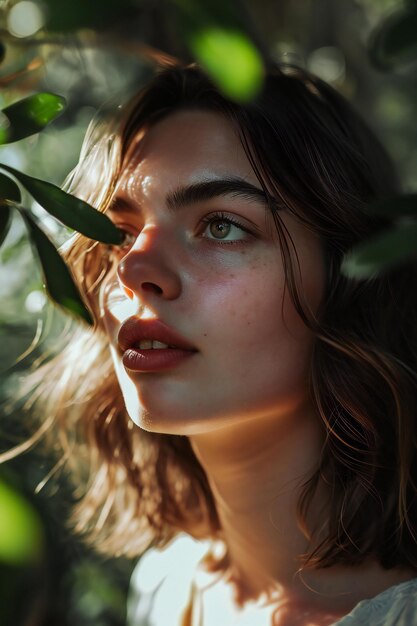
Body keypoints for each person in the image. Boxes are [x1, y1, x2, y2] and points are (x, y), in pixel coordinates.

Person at [19, 61, 417, 625]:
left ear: (350, 277)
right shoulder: (165, 585)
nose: (134, 270)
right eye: (120, 234)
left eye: (222, 225)